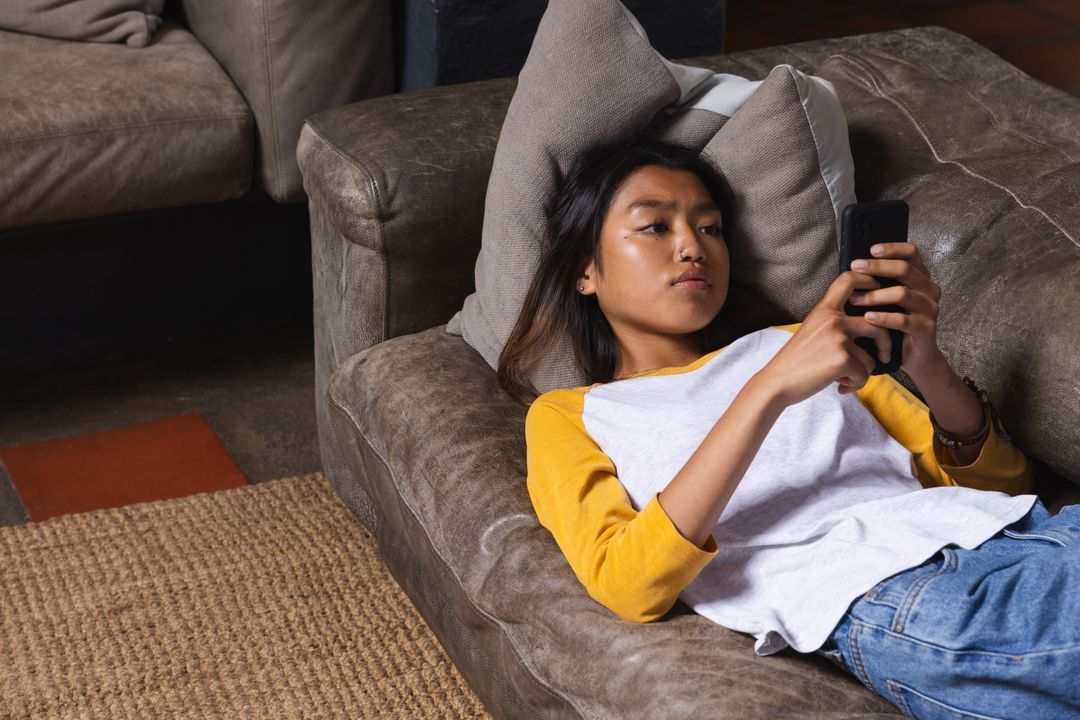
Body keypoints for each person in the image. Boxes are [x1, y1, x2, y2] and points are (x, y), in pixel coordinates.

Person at [498, 136, 1080, 719]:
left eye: (711, 229)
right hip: (889, 594)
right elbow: (629, 583)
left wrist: (925, 363)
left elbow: (1003, 491)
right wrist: (768, 390)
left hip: (1015, 534)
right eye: (654, 227)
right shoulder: (571, 414)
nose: (691, 248)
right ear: (584, 271)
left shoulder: (799, 341)